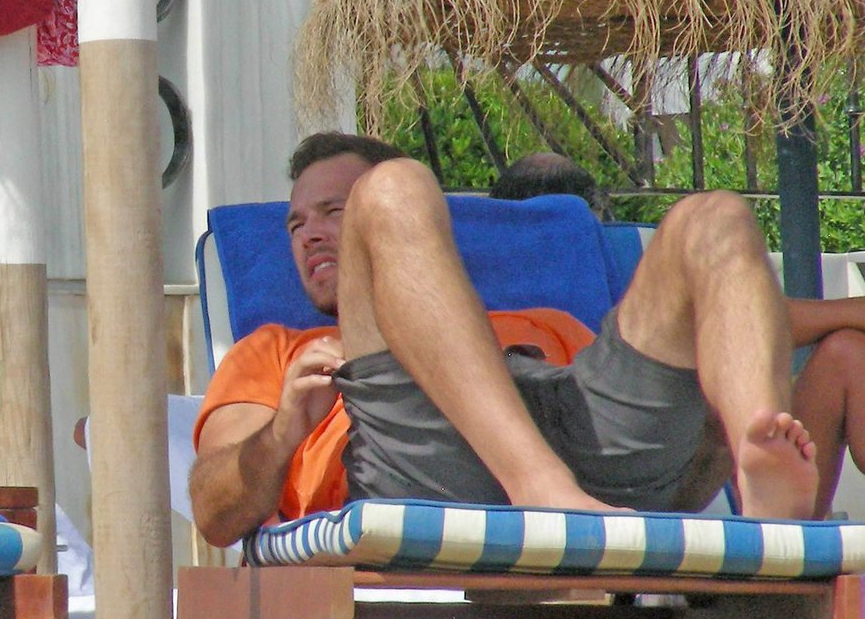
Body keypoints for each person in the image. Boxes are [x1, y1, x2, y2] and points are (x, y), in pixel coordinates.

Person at [189, 131, 817, 548]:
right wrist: (282, 433)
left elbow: (732, 327)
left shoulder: (541, 320)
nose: (309, 235)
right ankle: (536, 484)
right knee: (395, 180)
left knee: (718, 216)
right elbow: (214, 512)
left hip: (587, 442)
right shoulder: (275, 351)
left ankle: (765, 481)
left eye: (333, 211)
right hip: (423, 462)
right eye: (296, 223)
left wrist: (710, 426)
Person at [495, 149, 865, 518]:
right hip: (625, 445)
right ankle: (777, 522)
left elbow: (737, 318)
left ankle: (779, 515)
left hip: (639, 444)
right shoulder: (618, 282)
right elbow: (734, 320)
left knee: (847, 353)